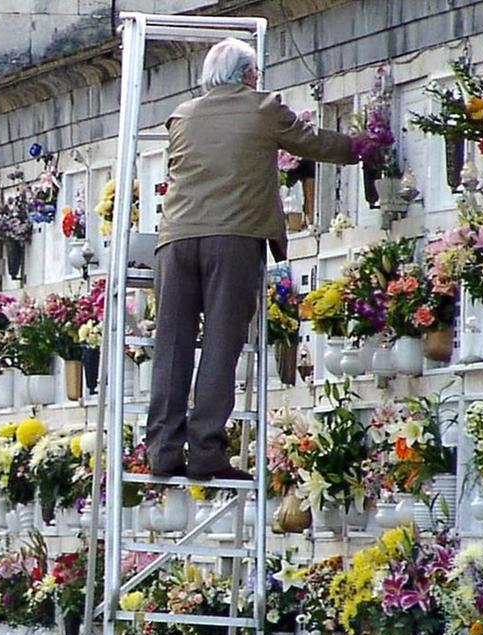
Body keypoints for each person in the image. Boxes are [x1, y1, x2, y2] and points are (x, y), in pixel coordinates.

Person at [148, 38, 356, 480]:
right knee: (221, 345)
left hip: (175, 241)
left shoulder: (181, 116)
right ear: (247, 75)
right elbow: (310, 142)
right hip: (233, 237)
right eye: (255, 74)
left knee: (172, 345)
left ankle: (163, 449)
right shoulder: (262, 109)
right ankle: (206, 451)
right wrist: (361, 148)